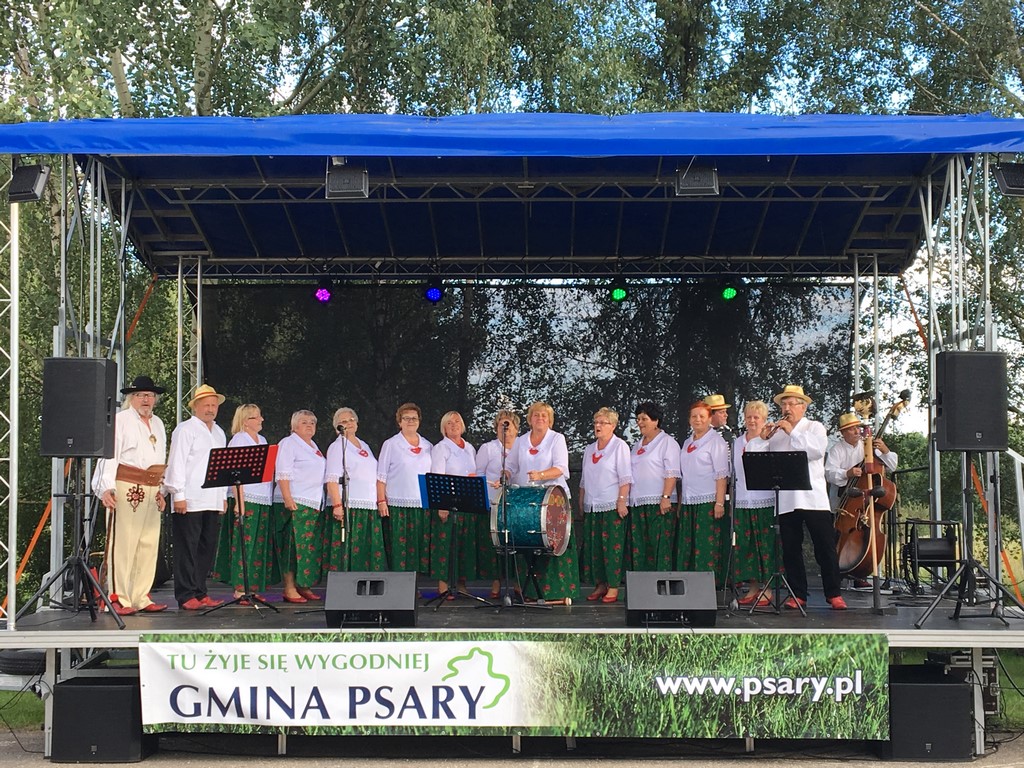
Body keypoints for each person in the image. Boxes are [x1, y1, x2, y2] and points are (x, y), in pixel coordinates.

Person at [761, 384, 846, 610]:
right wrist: (763, 439)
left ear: (803, 407)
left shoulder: (815, 427)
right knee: (791, 549)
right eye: (783, 404)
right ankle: (798, 594)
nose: (786, 408)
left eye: (791, 404)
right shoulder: (776, 434)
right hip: (786, 499)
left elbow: (815, 452)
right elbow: (762, 460)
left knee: (825, 546)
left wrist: (792, 431)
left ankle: (834, 593)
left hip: (813, 498)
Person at [92, 375, 168, 615]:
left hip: (152, 487)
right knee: (123, 543)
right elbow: (109, 455)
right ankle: (118, 597)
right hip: (127, 485)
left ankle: (140, 595)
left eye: (150, 395)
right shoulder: (121, 420)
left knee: (148, 543)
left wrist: (162, 490)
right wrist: (105, 487)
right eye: (141, 395)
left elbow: (161, 458)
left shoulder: (158, 424)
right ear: (131, 398)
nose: (146, 400)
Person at [164, 384, 228, 611]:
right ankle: (185, 594)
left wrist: (222, 496)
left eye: (214, 405)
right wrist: (178, 495)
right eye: (206, 405)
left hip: (211, 498)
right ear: (195, 407)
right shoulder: (185, 429)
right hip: (190, 498)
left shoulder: (219, 432)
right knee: (187, 548)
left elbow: (222, 467)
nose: (210, 409)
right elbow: (177, 462)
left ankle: (200, 591)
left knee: (206, 547)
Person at [506, 401, 578, 604]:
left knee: (553, 543)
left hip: (553, 498)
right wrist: (505, 474)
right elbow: (511, 466)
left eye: (544, 416)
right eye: (536, 415)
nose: (540, 418)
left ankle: (558, 592)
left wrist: (541, 475)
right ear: (529, 419)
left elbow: (561, 468)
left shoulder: (557, 439)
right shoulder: (521, 441)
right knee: (527, 541)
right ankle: (528, 591)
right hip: (527, 500)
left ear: (550, 420)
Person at [825, 411, 899, 589]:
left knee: (865, 532)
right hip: (844, 499)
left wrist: (885, 450)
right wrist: (847, 473)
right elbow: (829, 473)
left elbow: (892, 465)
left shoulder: (867, 446)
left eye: (858, 428)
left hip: (864, 501)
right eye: (851, 429)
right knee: (838, 536)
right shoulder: (837, 450)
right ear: (843, 433)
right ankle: (837, 573)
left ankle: (860, 572)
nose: (857, 431)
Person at [214, 404, 277, 602]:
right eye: (256, 417)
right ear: (245, 421)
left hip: (262, 498)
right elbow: (234, 474)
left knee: (258, 544)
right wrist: (239, 502)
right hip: (246, 497)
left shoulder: (262, 440)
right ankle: (240, 587)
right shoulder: (239, 440)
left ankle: (253, 586)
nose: (261, 420)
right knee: (245, 543)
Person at [580, 407, 633, 603]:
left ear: (613, 425)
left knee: (612, 547)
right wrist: (581, 501)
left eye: (603, 423)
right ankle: (600, 584)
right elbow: (584, 479)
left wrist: (622, 501)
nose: (598, 426)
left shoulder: (620, 446)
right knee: (594, 548)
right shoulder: (589, 449)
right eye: (596, 422)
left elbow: (625, 477)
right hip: (592, 505)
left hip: (611, 504)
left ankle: (613, 586)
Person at [273, 410, 326, 603]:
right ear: (294, 426)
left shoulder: (313, 446)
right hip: (294, 502)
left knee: (307, 548)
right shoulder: (289, 443)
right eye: (304, 422)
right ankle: (289, 587)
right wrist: (287, 498)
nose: (309, 425)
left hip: (312, 502)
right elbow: (282, 472)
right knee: (291, 546)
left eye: (312, 422)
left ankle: (303, 584)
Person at [325, 407, 385, 573]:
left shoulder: (363, 445)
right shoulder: (337, 447)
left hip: (369, 505)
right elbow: (332, 478)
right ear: (337, 426)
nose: (349, 423)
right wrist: (337, 505)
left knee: (367, 548)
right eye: (344, 421)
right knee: (351, 547)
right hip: (350, 506)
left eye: (352, 420)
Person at [376, 402, 433, 576]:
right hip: (397, 505)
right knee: (399, 549)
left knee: (418, 548)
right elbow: (381, 475)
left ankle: (414, 585)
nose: (410, 421)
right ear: (399, 422)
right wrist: (381, 501)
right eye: (406, 418)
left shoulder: (428, 446)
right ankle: (398, 585)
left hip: (422, 505)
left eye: (414, 418)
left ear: (419, 421)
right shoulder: (391, 444)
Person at [677, 401, 730, 586]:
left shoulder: (716, 441)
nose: (697, 419)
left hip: (708, 501)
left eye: (702, 416)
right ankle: (688, 584)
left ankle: (706, 586)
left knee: (705, 545)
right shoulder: (687, 442)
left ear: (709, 419)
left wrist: (719, 503)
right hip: (689, 501)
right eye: (694, 416)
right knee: (688, 545)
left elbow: (721, 475)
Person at [429, 411, 479, 599]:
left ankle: (461, 584)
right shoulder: (441, 448)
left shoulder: (470, 448)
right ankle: (443, 586)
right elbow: (437, 475)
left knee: (464, 544)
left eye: (457, 421)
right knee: (445, 544)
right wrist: (442, 505)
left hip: (467, 503)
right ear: (444, 428)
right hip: (448, 503)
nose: (454, 425)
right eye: (449, 423)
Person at [732, 400, 775, 606]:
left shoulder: (770, 441)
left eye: (756, 417)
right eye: (749, 417)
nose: (752, 420)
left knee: (764, 544)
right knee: (746, 545)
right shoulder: (737, 442)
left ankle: (768, 587)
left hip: (764, 499)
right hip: (742, 499)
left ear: (764, 420)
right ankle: (753, 586)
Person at [628, 402, 681, 572]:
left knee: (660, 546)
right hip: (638, 503)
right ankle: (643, 584)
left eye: (644, 419)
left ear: (656, 420)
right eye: (638, 419)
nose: (640, 423)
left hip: (659, 503)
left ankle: (662, 583)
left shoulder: (667, 442)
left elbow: (671, 473)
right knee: (641, 547)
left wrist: (665, 497)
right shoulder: (637, 445)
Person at [475, 409, 518, 597]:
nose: (505, 429)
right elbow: (478, 475)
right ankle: (496, 581)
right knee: (495, 544)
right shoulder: (488, 448)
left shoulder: (522, 447)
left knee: (516, 542)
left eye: (509, 425)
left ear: (516, 429)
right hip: (493, 503)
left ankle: (516, 582)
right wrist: (490, 484)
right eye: (502, 425)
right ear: (496, 428)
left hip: (516, 505)